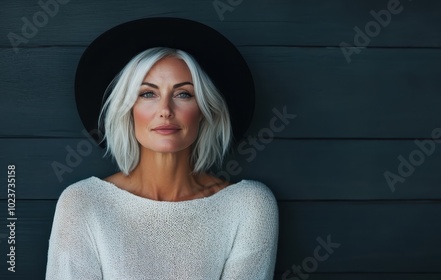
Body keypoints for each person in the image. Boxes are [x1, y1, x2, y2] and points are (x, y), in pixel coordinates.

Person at [46, 18, 279, 279]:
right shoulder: (83, 202)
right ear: (128, 109)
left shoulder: (248, 205)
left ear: (204, 110)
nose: (165, 111)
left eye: (183, 94)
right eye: (148, 94)